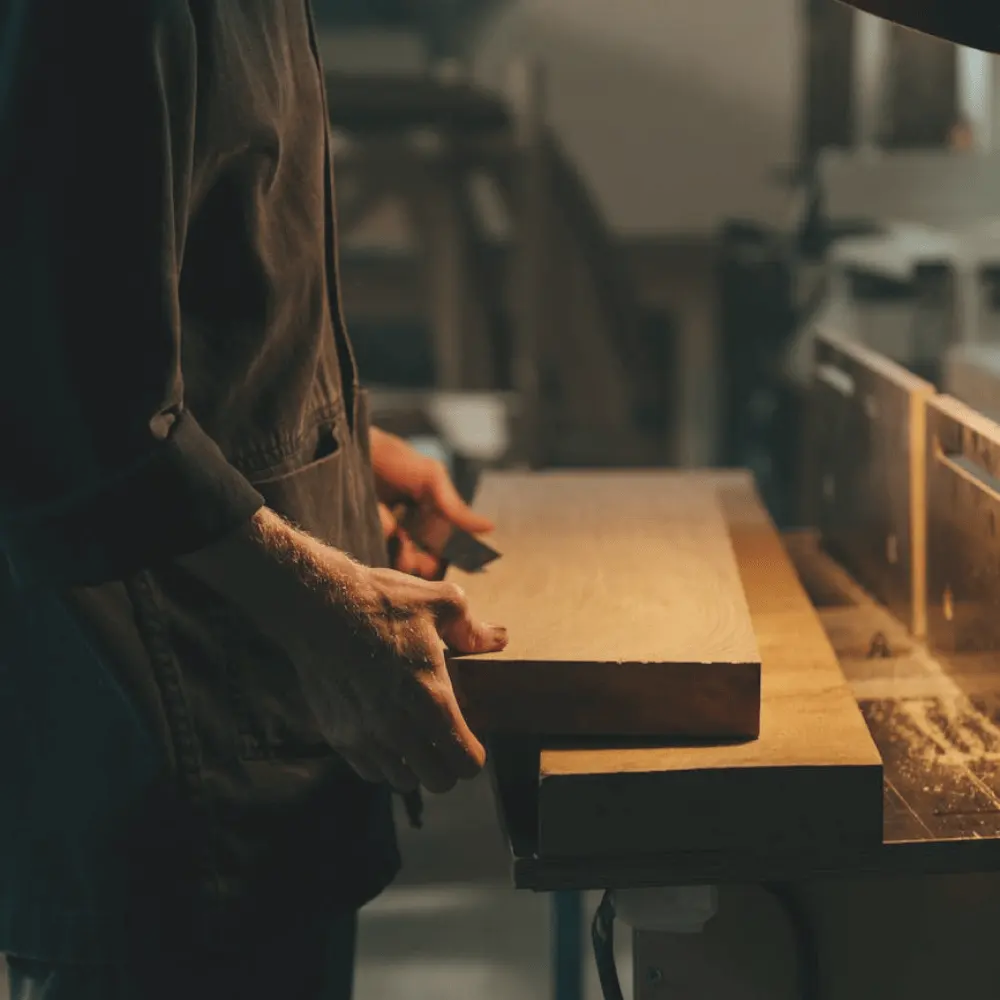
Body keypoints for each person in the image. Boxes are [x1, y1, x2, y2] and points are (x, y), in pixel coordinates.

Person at [0, 2, 506, 998]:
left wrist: (341, 456)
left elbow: (195, 303)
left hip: (266, 773)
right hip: (163, 762)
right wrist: (323, 609)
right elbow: (61, 407)